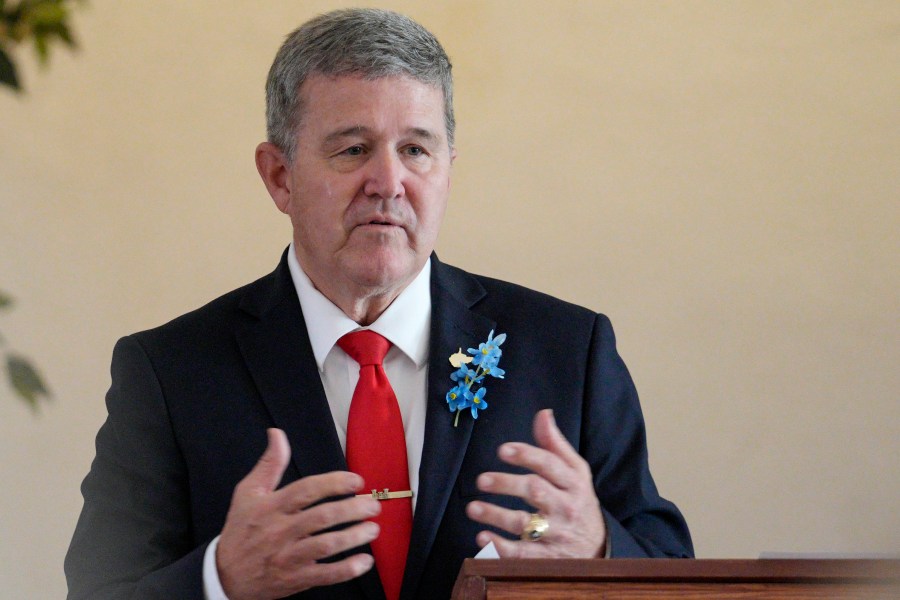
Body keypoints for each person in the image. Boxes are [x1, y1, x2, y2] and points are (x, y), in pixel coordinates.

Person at [65, 8, 692, 600]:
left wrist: (602, 548)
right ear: (279, 176)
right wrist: (221, 579)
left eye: (416, 149)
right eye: (352, 149)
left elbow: (676, 575)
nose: (388, 183)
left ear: (449, 166)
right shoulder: (171, 371)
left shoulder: (566, 351)